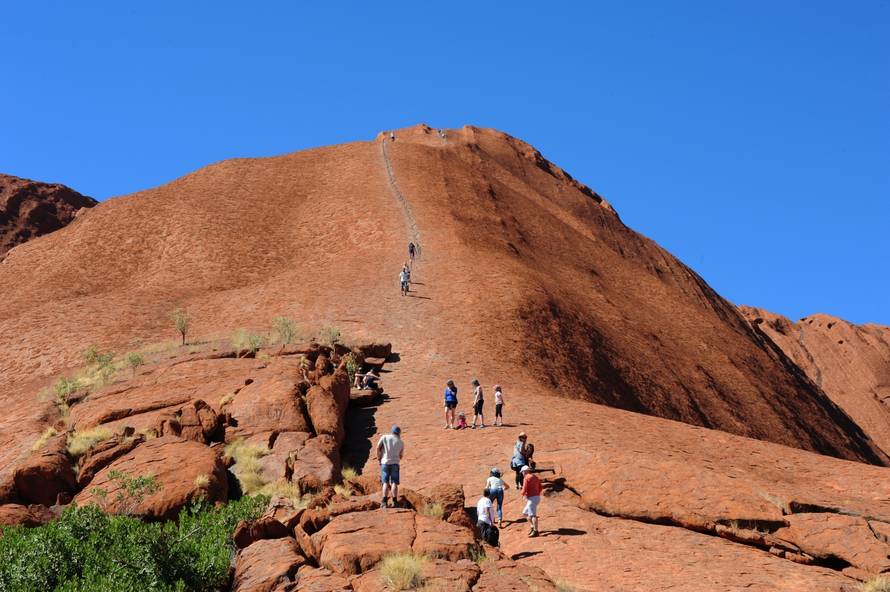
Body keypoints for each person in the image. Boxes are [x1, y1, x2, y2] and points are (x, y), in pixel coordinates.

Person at [376, 425, 404, 508]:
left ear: (391, 431)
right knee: (394, 482)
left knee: (385, 482)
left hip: (385, 462)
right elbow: (401, 456)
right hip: (395, 463)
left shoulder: (384, 437)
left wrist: (379, 458)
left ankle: (384, 502)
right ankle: (394, 501)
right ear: (399, 433)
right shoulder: (400, 442)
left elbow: (378, 447)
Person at [519, 465, 542, 537]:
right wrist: (536, 493)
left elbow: (525, 488)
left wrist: (522, 493)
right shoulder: (535, 477)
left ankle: (536, 531)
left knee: (532, 515)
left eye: (522, 472)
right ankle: (532, 527)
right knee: (525, 513)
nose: (522, 473)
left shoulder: (526, 477)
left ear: (525, 471)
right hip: (536, 497)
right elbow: (541, 487)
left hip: (532, 498)